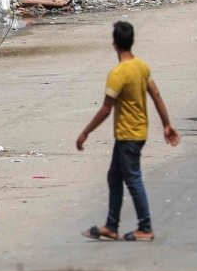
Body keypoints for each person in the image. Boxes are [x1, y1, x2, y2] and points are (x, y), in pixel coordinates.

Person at [77, 21, 181, 241]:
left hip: (128, 135)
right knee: (115, 176)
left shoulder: (118, 73)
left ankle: (145, 227)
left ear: (114, 43)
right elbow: (156, 95)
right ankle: (111, 226)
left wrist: (85, 132)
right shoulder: (142, 67)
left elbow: (106, 109)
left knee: (133, 179)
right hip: (137, 132)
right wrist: (166, 124)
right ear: (133, 41)